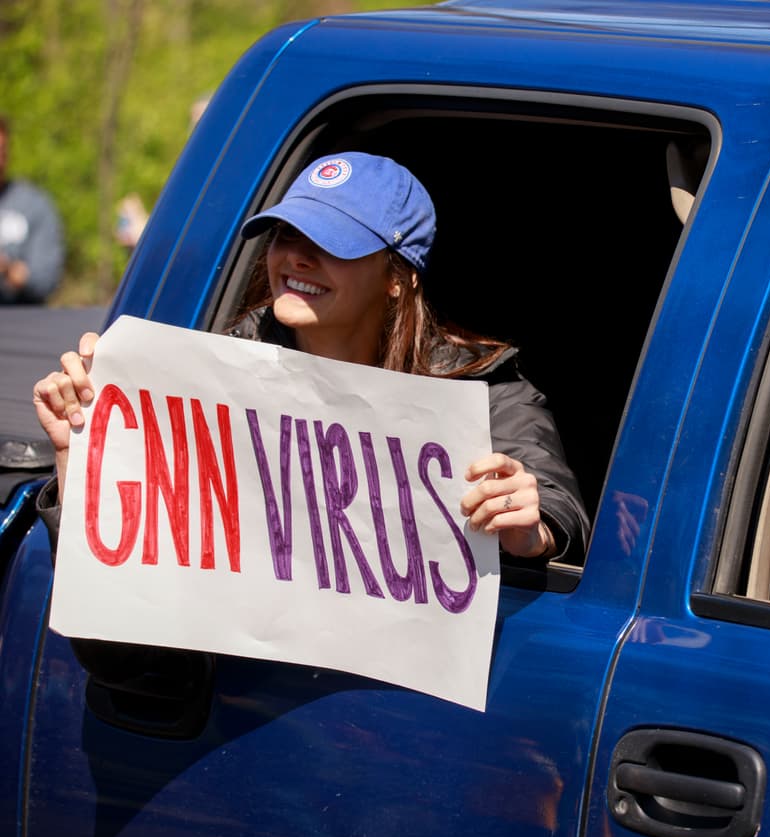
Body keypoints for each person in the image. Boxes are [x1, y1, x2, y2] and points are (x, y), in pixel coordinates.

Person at [33, 151, 590, 566]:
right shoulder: (208, 375)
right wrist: (80, 454)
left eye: (332, 242)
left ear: (399, 278)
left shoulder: (483, 388)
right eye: (285, 234)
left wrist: (530, 529)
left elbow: (555, 506)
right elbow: (128, 626)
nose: (296, 256)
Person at [0, 114, 65, 304]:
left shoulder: (35, 204)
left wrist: (9, 269)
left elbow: (46, 279)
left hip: (21, 320)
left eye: (2, 152)